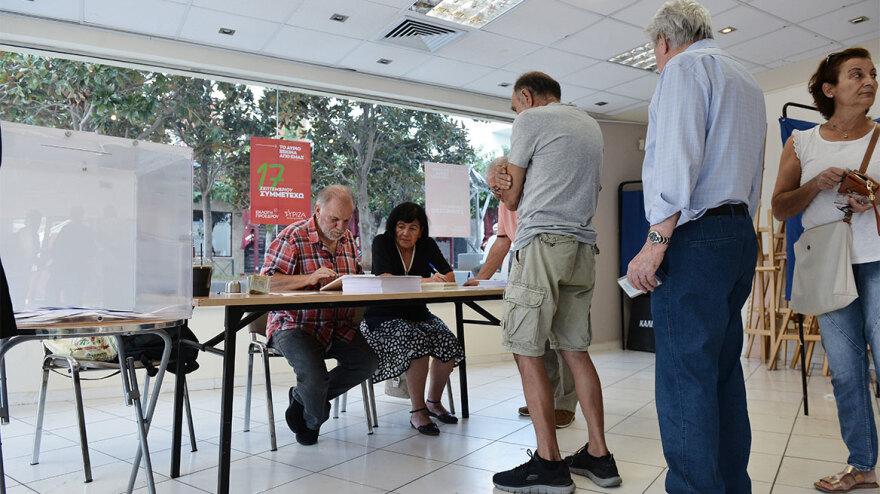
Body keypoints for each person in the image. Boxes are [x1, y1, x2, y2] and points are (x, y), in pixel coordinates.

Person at [626, 1, 766, 491]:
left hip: (697, 238)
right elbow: (754, 170)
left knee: (684, 376)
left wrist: (655, 242)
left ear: (663, 41)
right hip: (738, 233)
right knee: (723, 374)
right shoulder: (746, 80)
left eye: (654, 50)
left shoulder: (683, 69)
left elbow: (677, 158)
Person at [491, 72, 620, 494]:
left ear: (526, 97)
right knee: (575, 351)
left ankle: (549, 464)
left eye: (516, 106)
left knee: (526, 350)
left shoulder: (531, 120)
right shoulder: (590, 125)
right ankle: (599, 456)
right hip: (582, 248)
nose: (517, 114)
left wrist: (499, 181)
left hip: (542, 245)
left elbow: (512, 198)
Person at [771, 47, 879, 493]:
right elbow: (780, 208)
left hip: (877, 262)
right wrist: (816, 184)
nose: (869, 81)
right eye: (857, 74)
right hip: (828, 267)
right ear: (830, 89)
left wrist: (874, 194)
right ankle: (862, 466)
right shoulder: (802, 142)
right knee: (848, 371)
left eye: (872, 74)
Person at [260, 185, 378, 446]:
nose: (341, 226)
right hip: (294, 324)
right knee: (315, 377)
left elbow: (355, 277)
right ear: (317, 210)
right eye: (334, 219)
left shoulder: (348, 240)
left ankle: (302, 399)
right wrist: (308, 279)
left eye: (346, 220)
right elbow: (264, 283)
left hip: (337, 324)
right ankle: (313, 420)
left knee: (367, 363)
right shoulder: (293, 236)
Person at [466, 157, 577, 429]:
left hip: (551, 259)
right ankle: (545, 397)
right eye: (492, 190)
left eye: (498, 187)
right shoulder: (505, 202)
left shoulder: (539, 192)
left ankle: (564, 404)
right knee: (534, 338)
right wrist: (480, 279)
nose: (496, 195)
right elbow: (502, 242)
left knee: (562, 338)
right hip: (524, 262)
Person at [361, 202, 463, 436]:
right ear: (393, 227)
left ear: (421, 231)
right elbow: (387, 280)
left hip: (418, 314)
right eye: (401, 226)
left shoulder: (427, 245)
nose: (406, 233)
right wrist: (427, 281)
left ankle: (433, 402)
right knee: (417, 341)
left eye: (413, 228)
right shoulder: (382, 242)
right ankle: (417, 411)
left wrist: (438, 279)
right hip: (382, 317)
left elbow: (448, 275)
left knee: (448, 341)